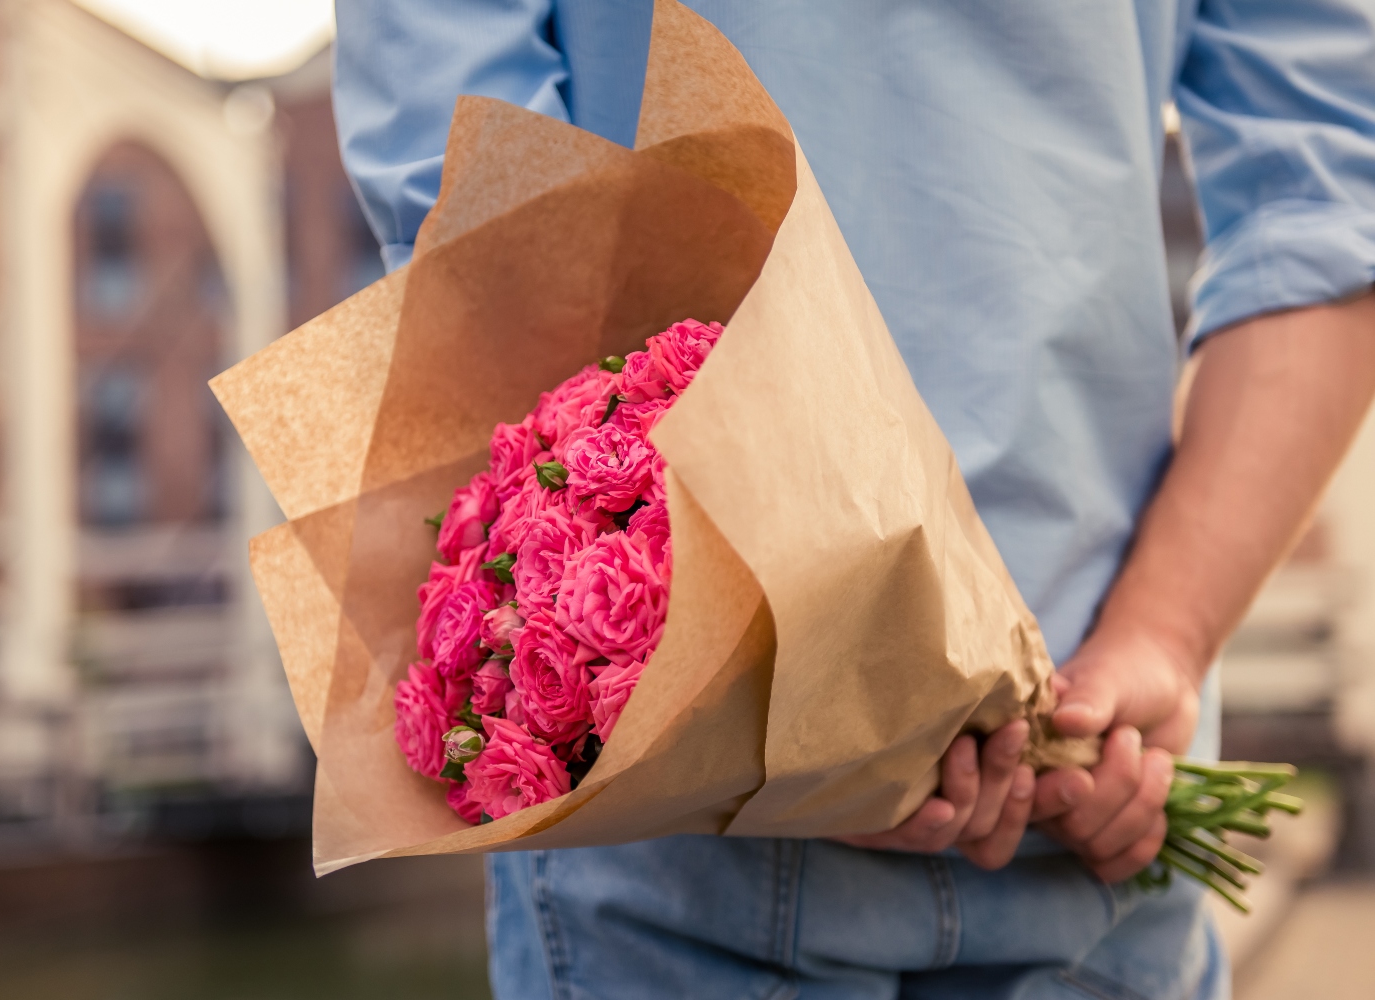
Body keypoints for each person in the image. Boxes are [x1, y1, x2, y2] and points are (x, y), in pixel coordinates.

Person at [332, 2, 1375, 996]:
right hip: (1089, 728)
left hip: (699, 807)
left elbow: (465, 154)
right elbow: (1328, 199)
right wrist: (1164, 633)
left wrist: (797, 696)